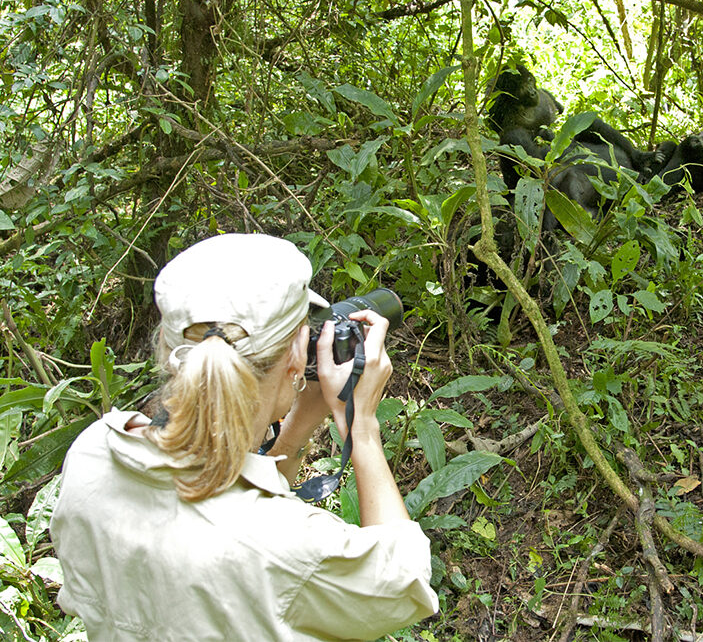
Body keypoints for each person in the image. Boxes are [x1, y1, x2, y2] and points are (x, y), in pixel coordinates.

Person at [50, 233, 439, 641]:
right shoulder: (285, 548)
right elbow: (404, 581)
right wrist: (362, 427)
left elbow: (223, 484)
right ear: (296, 355)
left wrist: (297, 423)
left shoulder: (92, 454)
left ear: (167, 347)